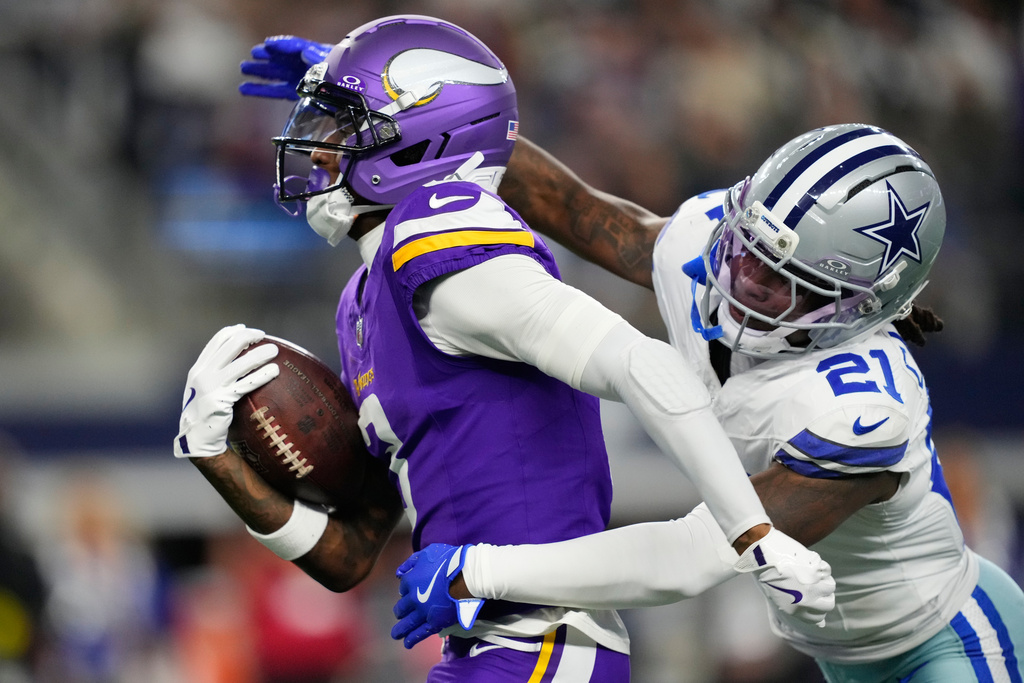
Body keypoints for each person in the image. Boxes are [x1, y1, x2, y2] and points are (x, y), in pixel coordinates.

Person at [175, 15, 833, 683]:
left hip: (544, 645)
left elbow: (643, 361)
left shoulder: (438, 239)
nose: (318, 152)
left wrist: (754, 531)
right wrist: (218, 459)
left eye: (345, 128)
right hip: (485, 651)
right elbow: (353, 550)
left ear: (419, 139)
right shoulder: (363, 299)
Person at [388, 125, 1024, 682]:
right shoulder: (715, 241)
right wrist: (433, 119)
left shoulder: (859, 410)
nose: (743, 279)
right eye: (747, 248)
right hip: (840, 652)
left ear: (859, 308)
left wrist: (486, 573)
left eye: (783, 281)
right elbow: (586, 212)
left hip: (947, 642)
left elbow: (700, 551)